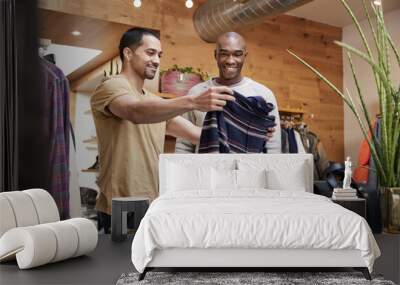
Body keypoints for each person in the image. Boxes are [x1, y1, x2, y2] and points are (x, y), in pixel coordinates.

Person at [91, 28, 235, 230]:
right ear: (128, 53)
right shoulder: (111, 86)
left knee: (152, 262)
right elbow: (134, 111)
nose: (157, 60)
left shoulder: (155, 103)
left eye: (159, 55)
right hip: (121, 206)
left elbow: (198, 136)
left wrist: (252, 133)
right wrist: (192, 101)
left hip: (153, 204)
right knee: (121, 262)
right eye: (150, 53)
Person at [176, 32, 281, 153]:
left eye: (237, 54)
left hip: (249, 170)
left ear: (244, 56)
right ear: (216, 55)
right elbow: (183, 145)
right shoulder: (197, 93)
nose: (230, 61)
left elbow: (273, 148)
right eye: (224, 54)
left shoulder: (264, 95)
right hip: (204, 170)